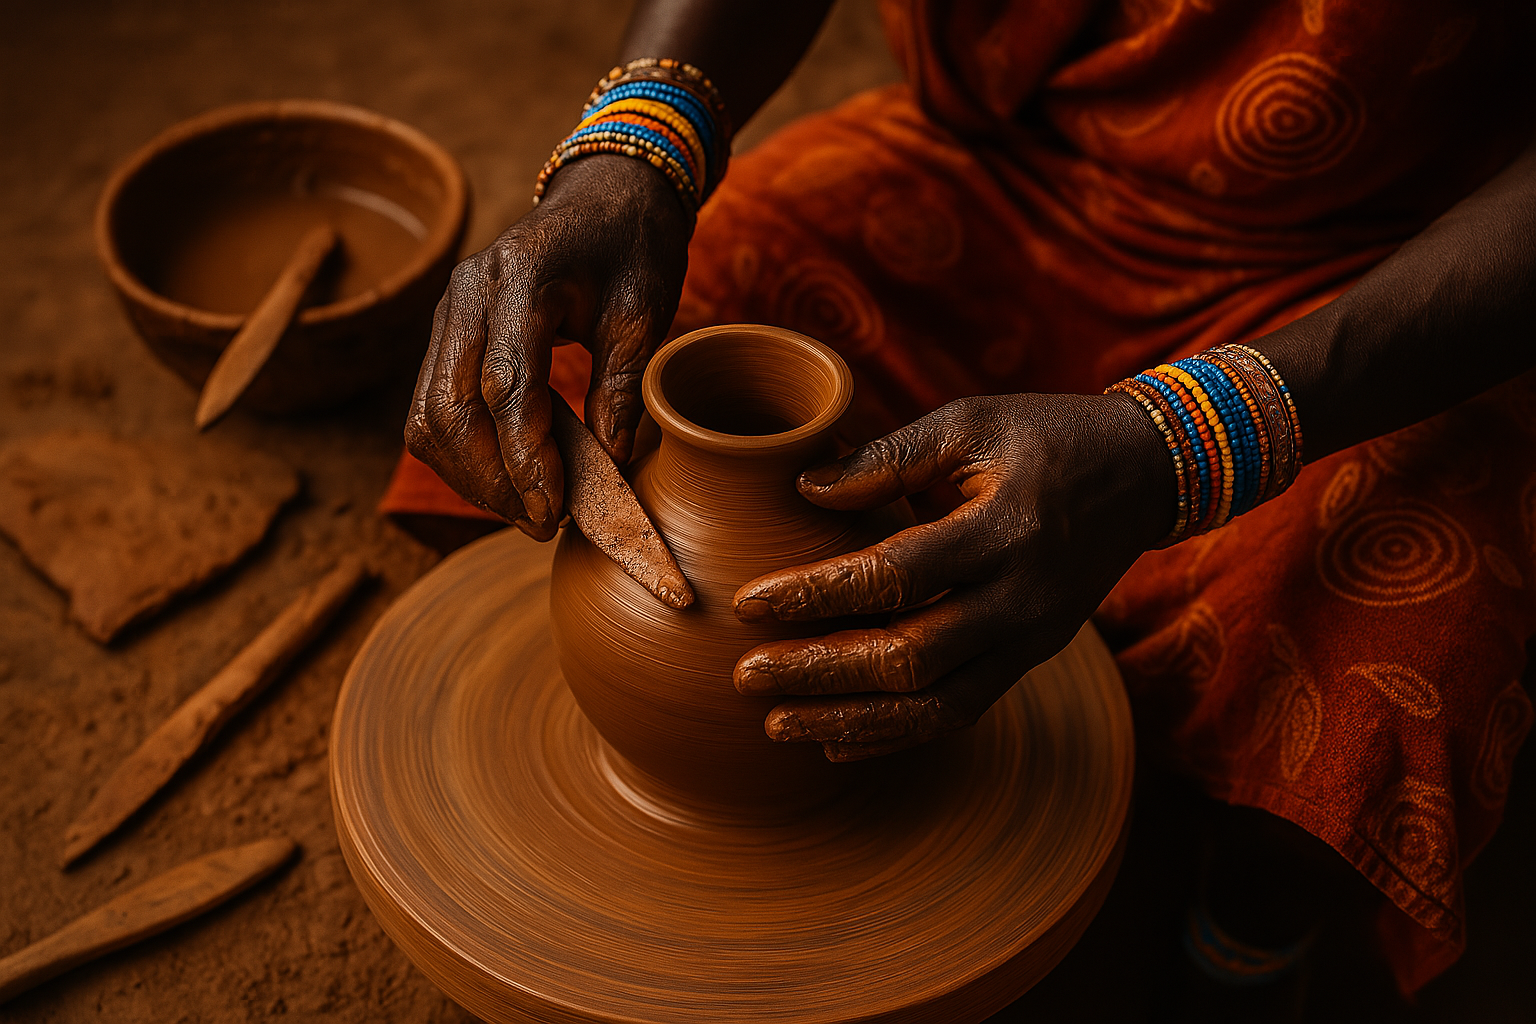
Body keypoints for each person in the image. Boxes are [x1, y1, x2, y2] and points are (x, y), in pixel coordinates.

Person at [390, 0, 1536, 1006]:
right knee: (575, 370)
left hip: (1373, 275)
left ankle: (1230, 956)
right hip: (992, 172)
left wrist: (1189, 438)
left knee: (1407, 653)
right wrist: (633, 148)